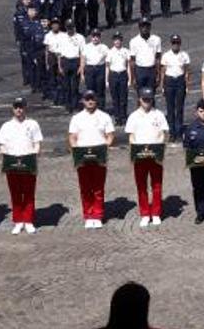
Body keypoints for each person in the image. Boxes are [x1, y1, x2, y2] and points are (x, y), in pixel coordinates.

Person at [68, 91, 115, 229]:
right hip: (83, 156)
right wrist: (76, 150)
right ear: (83, 101)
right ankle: (88, 215)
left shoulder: (104, 116)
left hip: (99, 156)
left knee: (98, 186)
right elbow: (72, 137)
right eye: (87, 99)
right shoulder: (77, 118)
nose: (90, 101)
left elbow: (110, 135)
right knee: (85, 187)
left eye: (92, 99)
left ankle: (98, 215)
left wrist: (105, 147)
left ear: (96, 100)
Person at [0, 97, 43, 234]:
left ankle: (28, 220)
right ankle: (18, 221)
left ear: (25, 108)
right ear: (13, 109)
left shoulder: (33, 124)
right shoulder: (6, 126)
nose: (19, 109)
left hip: (28, 162)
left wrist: (35, 156)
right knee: (15, 193)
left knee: (29, 193)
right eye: (16, 107)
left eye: (21, 107)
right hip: (12, 163)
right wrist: (5, 158)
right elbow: (2, 145)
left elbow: (37, 143)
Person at [125, 90, 169, 227]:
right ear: (139, 99)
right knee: (141, 185)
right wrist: (135, 150)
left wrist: (159, 147)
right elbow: (131, 136)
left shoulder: (159, 114)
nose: (147, 102)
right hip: (140, 155)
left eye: (149, 99)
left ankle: (155, 213)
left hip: (155, 154)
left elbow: (163, 133)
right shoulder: (133, 116)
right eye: (144, 99)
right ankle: (145, 213)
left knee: (156, 185)